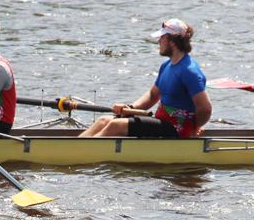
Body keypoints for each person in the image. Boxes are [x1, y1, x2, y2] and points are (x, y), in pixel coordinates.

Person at [79, 18, 212, 138]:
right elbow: (152, 95)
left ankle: (81, 154)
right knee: (104, 120)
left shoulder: (189, 71)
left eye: (162, 37)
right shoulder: (167, 65)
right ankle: (76, 147)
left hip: (178, 129)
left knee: (116, 126)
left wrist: (194, 128)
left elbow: (205, 108)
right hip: (163, 122)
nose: (159, 41)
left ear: (172, 40)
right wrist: (129, 108)